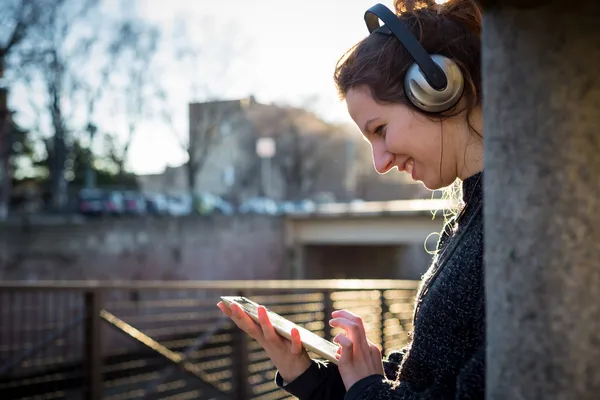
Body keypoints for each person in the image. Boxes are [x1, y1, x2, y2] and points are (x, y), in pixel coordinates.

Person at [217, 0, 485, 398]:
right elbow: (424, 377)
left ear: (437, 89)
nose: (379, 163)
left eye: (380, 129)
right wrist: (308, 375)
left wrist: (366, 387)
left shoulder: (518, 226)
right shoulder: (470, 222)